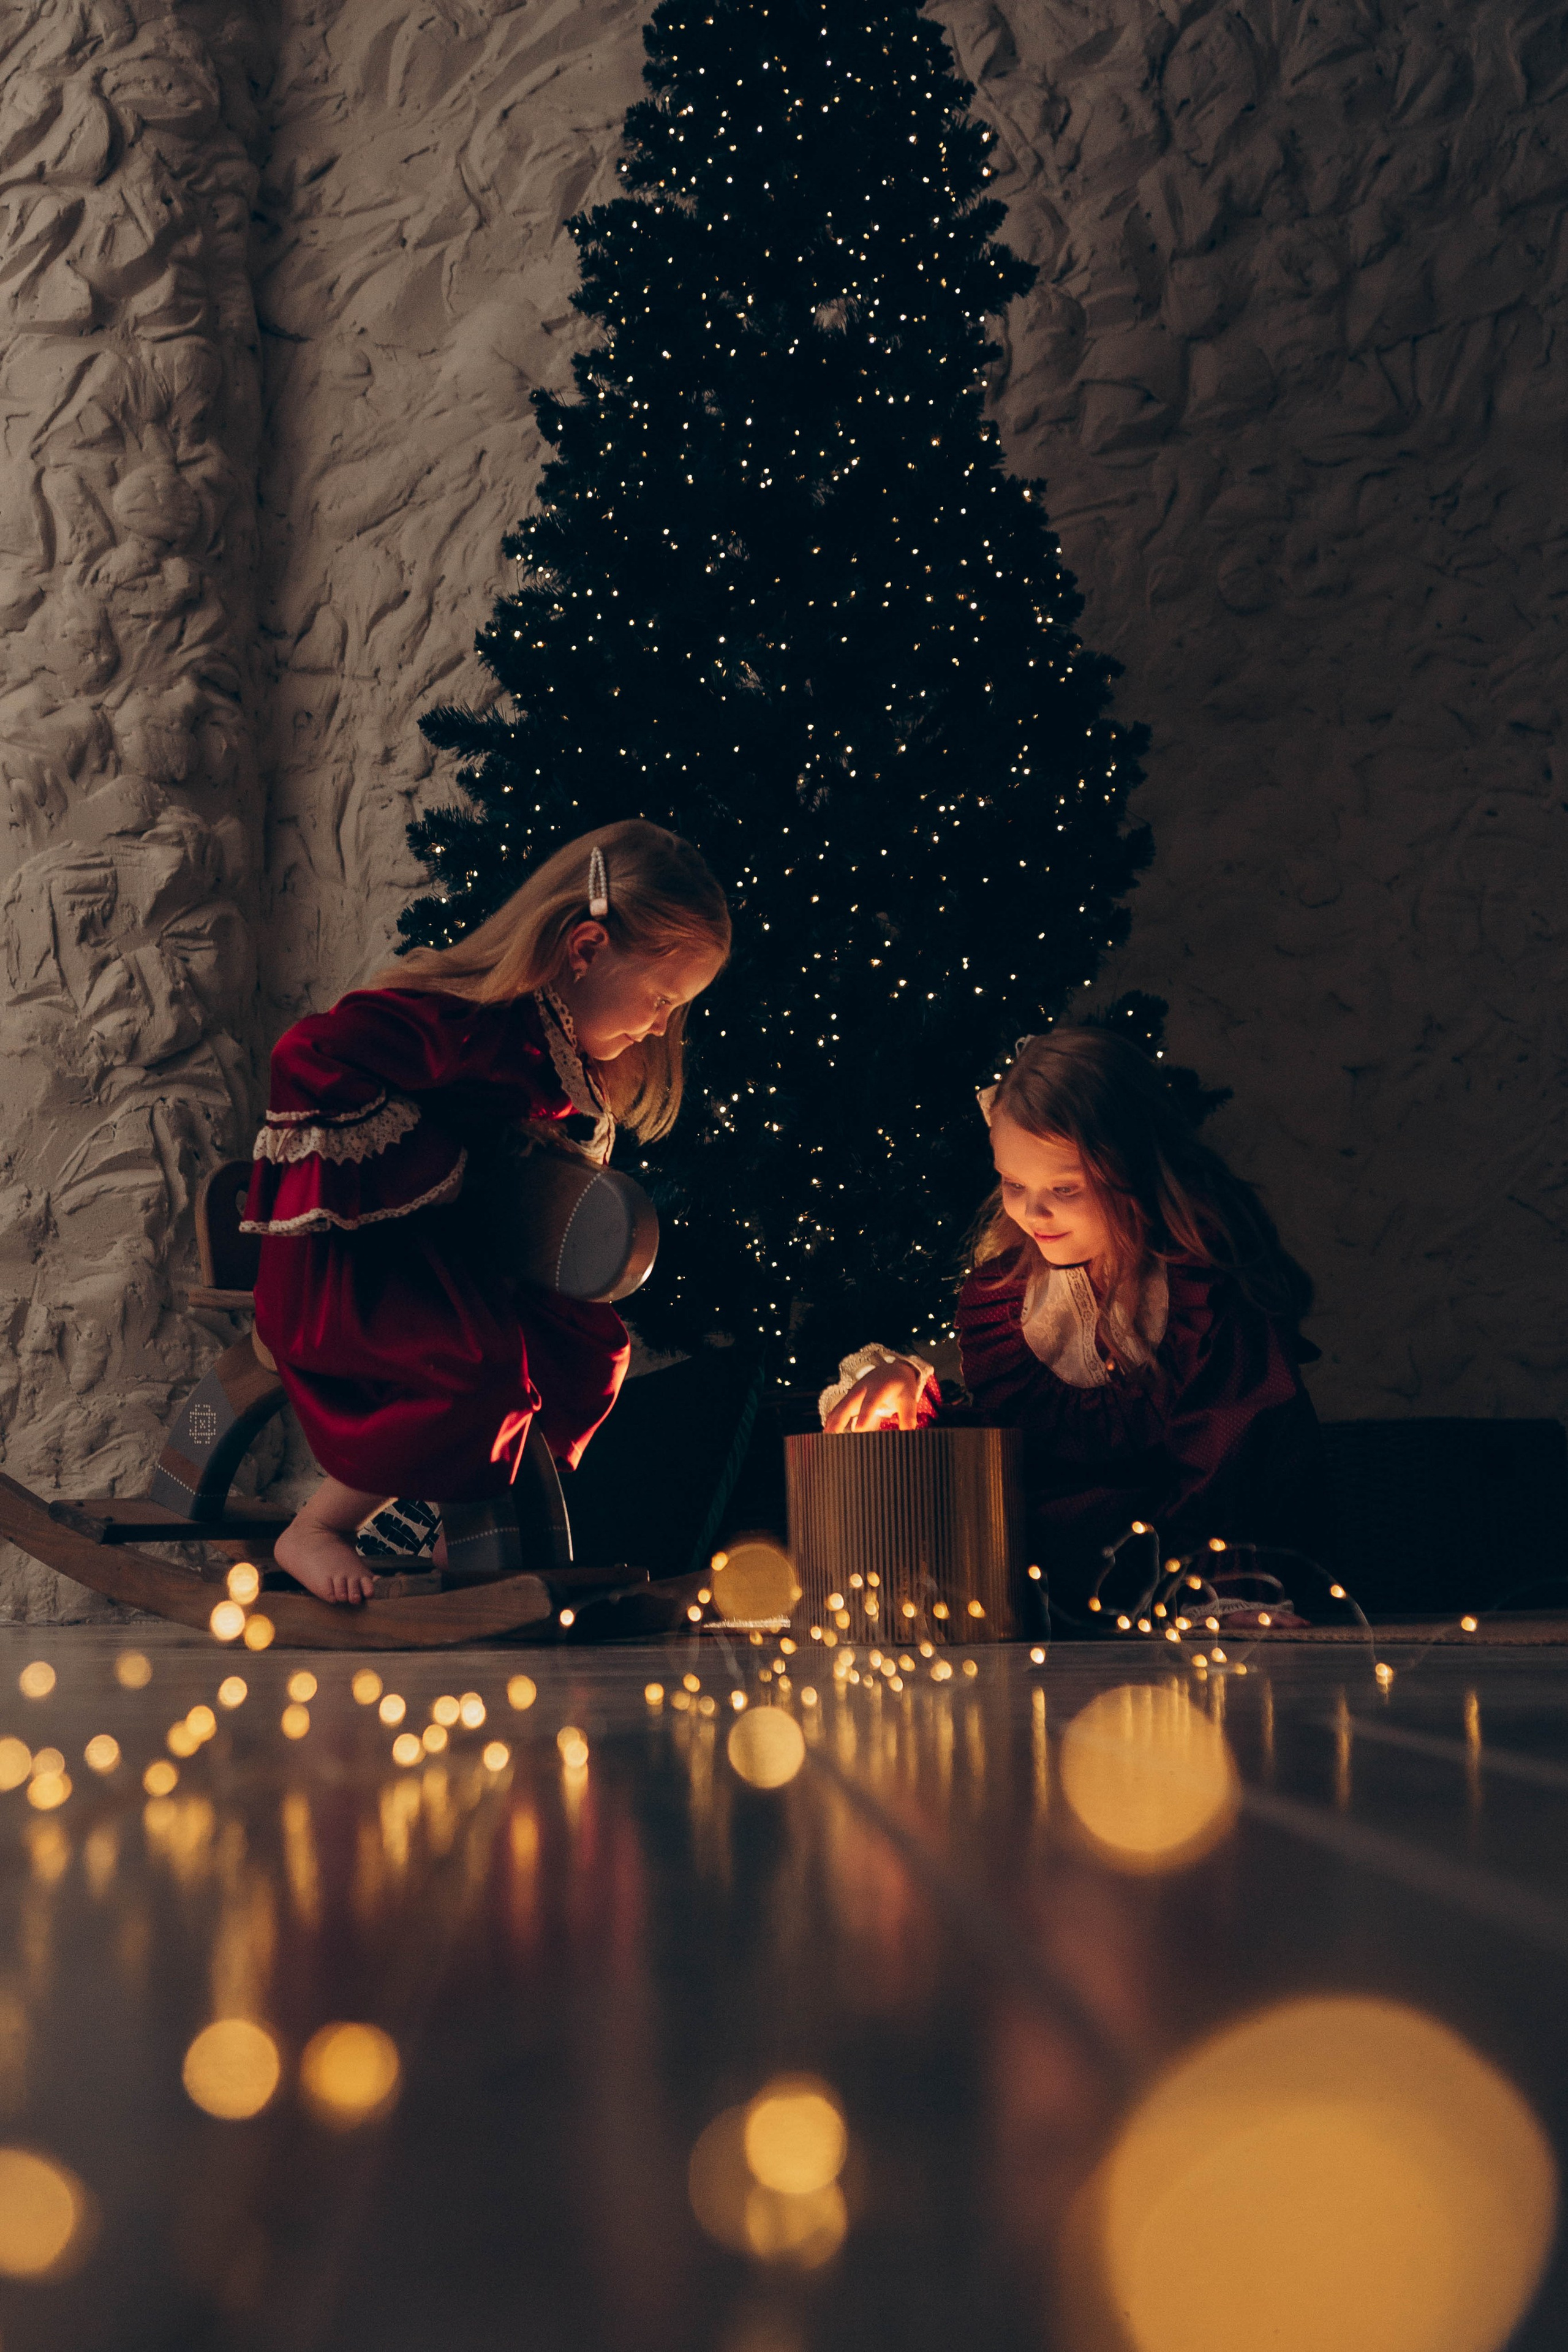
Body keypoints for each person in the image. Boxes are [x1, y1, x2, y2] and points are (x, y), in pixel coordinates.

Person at [243, 820, 730, 1604]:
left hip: (454, 1259)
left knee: (590, 1350)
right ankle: (318, 1527)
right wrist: (430, 1163)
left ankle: (471, 1520)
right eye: (662, 998)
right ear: (586, 949)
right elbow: (305, 1054)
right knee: (475, 1375)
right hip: (358, 1261)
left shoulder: (554, 1047)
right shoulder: (460, 1026)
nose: (661, 1025)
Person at [820, 1027, 1329, 1628]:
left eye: (1065, 1188)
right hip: (1054, 1600)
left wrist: (1225, 1589)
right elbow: (1011, 1459)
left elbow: (1232, 1449)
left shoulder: (1203, 1284)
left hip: (1196, 1580)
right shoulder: (1003, 1300)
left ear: (1134, 1170)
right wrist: (910, 1390)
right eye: (1014, 1184)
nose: (1033, 1212)